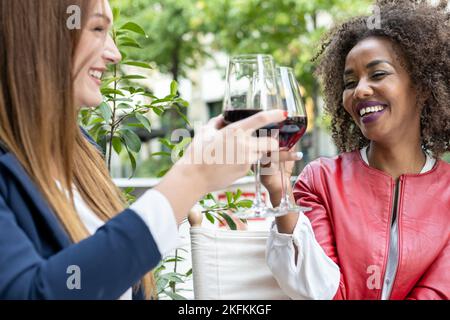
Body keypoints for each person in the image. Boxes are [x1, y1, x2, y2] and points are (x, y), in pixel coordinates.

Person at [0, 0, 300, 300]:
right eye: (97, 29)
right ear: (39, 35)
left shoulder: (81, 151)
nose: (114, 54)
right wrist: (192, 176)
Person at [264, 0, 449, 300]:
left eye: (378, 74)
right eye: (350, 82)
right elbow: (322, 293)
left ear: (423, 86)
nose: (360, 90)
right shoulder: (319, 181)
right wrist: (280, 195)